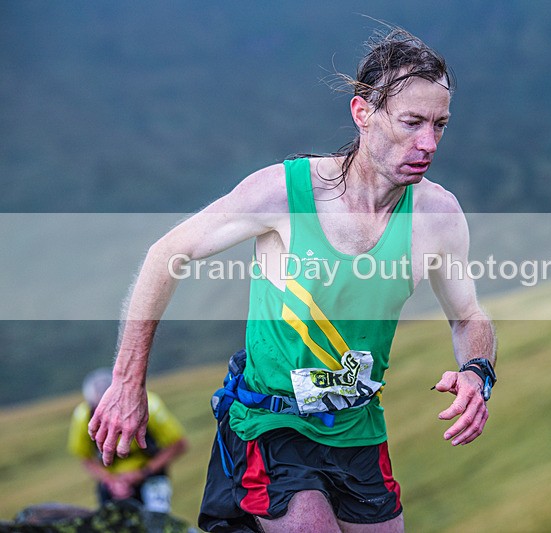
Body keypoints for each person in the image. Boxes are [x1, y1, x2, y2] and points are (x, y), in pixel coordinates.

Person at [89, 26, 497, 532]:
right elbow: (166, 253)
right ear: (362, 113)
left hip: (358, 427)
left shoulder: (439, 216)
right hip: (271, 422)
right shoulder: (286, 192)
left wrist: (479, 372)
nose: (428, 142)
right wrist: (128, 382)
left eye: (440, 124)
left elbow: (469, 316)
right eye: (412, 122)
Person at [68, 368, 188, 514]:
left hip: (150, 475)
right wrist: (112, 481)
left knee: (157, 521)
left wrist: (143, 473)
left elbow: (179, 444)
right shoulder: (83, 416)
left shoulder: (149, 405)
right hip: (112, 482)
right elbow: (85, 458)